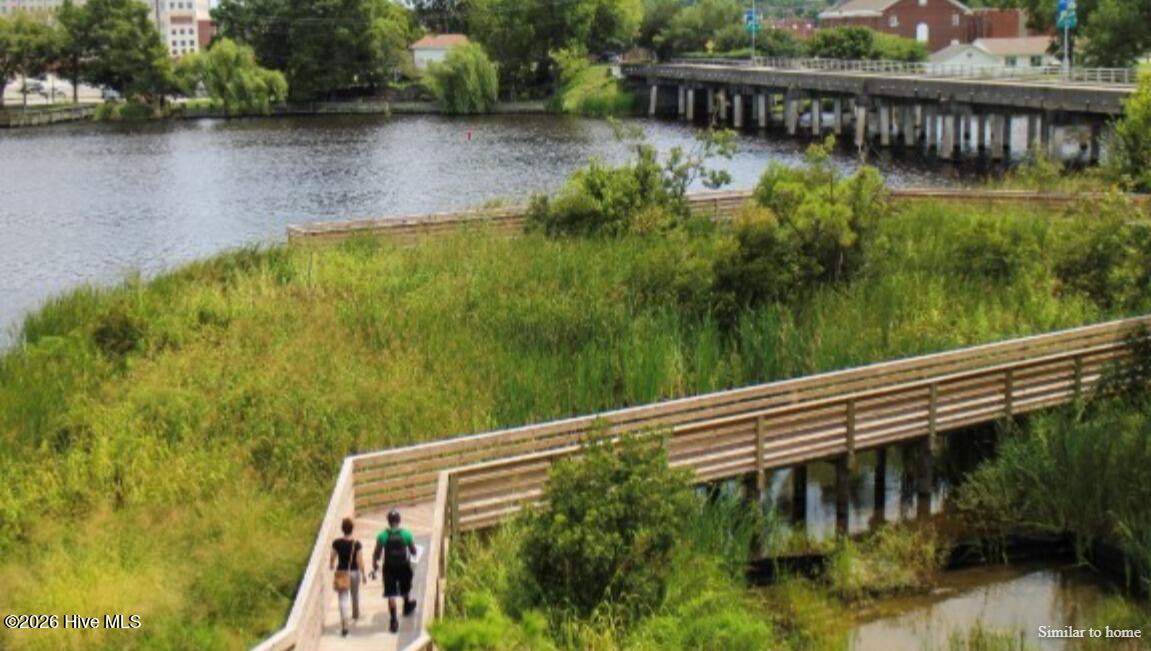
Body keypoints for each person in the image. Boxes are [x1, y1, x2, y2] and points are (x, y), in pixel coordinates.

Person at [372, 509, 418, 633]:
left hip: (389, 568)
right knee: (405, 586)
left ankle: (393, 620)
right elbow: (413, 551)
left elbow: (377, 553)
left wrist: (374, 565)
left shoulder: (382, 536)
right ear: (399, 520)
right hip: (403, 566)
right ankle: (407, 605)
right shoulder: (406, 534)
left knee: (391, 594)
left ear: (388, 521)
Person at [329, 517, 367, 637]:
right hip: (354, 572)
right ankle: (355, 614)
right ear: (352, 529)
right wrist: (363, 574)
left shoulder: (336, 543)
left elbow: (332, 557)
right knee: (355, 594)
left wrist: (331, 565)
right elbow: (360, 560)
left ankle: (344, 625)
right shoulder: (357, 544)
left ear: (342, 529)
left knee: (343, 598)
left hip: (342, 572)